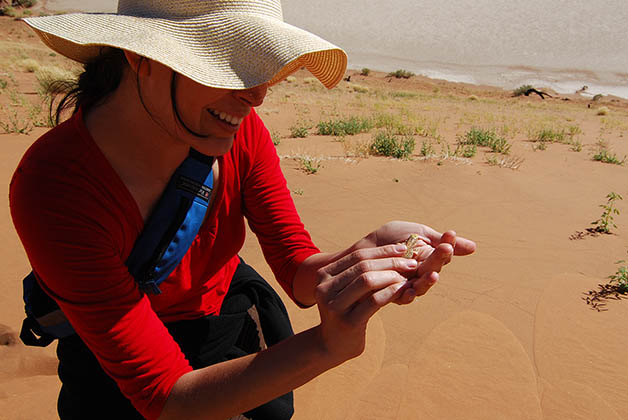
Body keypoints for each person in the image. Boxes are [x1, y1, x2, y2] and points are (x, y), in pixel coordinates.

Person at [9, 1, 476, 419]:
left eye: (257, 66)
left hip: (221, 326)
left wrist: (356, 258)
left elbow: (297, 269)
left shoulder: (237, 131)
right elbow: (167, 398)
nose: (255, 95)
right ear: (141, 56)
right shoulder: (56, 187)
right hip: (110, 363)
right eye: (223, 64)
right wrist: (326, 345)